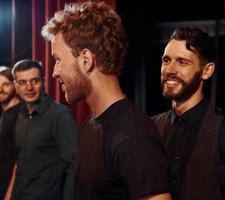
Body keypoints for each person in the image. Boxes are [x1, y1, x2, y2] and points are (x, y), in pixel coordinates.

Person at [41, 1, 171, 200]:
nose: (54, 72)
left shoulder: (133, 137)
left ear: (86, 59)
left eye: (58, 60)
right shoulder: (91, 124)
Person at [152, 26, 225, 200]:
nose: (169, 70)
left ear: (207, 71)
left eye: (182, 62)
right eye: (166, 60)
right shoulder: (149, 129)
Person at [9, 59, 78, 200]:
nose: (29, 87)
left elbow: (74, 166)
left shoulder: (60, 115)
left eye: (34, 81)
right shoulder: (19, 115)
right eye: (22, 82)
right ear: (15, 86)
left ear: (43, 82)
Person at [0, 66, 20, 199]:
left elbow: (20, 159)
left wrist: (10, 194)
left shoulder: (20, 114)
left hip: (12, 188)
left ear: (15, 85)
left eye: (5, 84)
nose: (0, 89)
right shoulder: (6, 114)